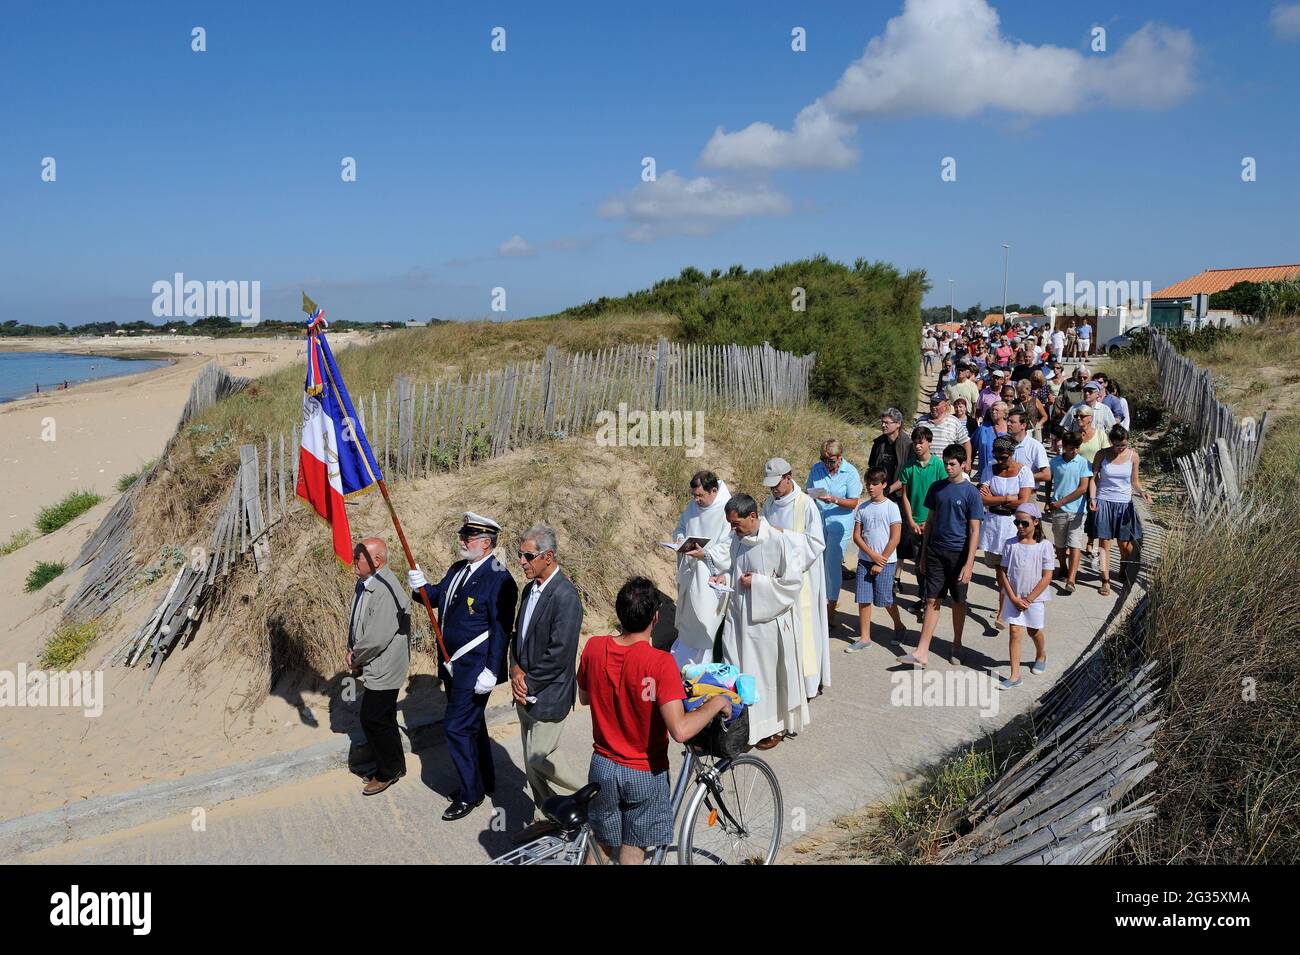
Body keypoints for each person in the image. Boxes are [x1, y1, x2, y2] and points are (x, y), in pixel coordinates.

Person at [577, 576, 732, 865]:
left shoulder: (594, 648)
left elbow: (585, 698)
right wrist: (716, 703)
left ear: (619, 613)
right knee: (633, 849)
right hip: (643, 772)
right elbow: (681, 730)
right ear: (656, 617)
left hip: (602, 766)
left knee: (601, 844)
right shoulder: (660, 664)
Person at [406, 513, 518, 820]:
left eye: (468, 538)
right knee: (472, 725)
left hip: (475, 667)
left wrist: (492, 670)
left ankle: (471, 793)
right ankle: (486, 778)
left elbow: (500, 628)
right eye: (463, 536)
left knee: (456, 728)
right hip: (453, 665)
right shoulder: (458, 569)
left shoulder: (500, 578)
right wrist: (421, 588)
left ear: (485, 543)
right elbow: (439, 597)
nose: (462, 542)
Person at [710, 493, 810, 750]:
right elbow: (734, 568)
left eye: (736, 524)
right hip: (739, 617)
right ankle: (744, 725)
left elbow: (792, 584)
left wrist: (758, 582)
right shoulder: (737, 539)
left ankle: (771, 727)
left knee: (766, 676)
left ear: (753, 516)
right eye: (731, 525)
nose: (733, 530)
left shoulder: (778, 541)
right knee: (739, 670)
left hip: (766, 623)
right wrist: (725, 578)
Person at [510, 524, 587, 842]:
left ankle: (587, 797)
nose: (522, 562)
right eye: (520, 555)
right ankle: (549, 815)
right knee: (531, 762)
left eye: (528, 556)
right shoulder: (529, 590)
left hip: (548, 692)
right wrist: (514, 670)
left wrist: (528, 681)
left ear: (548, 556)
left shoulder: (566, 596)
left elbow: (560, 652)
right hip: (523, 687)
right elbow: (518, 635)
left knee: (539, 756)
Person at [901, 445, 983, 668]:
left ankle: (957, 645)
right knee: (931, 599)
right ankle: (922, 651)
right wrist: (925, 554)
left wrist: (969, 563)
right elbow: (929, 522)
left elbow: (975, 530)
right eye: (946, 463)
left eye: (952, 464)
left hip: (958, 555)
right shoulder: (937, 488)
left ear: (963, 465)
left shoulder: (972, 493)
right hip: (935, 552)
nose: (948, 467)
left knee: (958, 602)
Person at [346, 537, 412, 796]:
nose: (353, 561)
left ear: (377, 561)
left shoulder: (384, 588)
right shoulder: (367, 583)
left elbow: (377, 636)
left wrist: (356, 656)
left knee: (373, 718)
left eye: (358, 557)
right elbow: (359, 620)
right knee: (383, 717)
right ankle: (395, 765)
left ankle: (387, 771)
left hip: (385, 665)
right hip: (374, 660)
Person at [762, 457, 830, 698]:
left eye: (776, 484)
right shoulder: (770, 502)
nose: (773, 489)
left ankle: (808, 684)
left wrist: (784, 536)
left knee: (805, 629)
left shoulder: (805, 504)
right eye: (769, 485)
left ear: (788, 478)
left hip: (802, 577)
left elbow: (816, 543)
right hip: (777, 576)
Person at [668, 470, 732, 669]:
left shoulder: (726, 510)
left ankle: (704, 666)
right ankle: (683, 663)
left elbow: (729, 545)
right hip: (690, 572)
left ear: (713, 490)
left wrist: (706, 554)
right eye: (694, 495)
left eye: (700, 495)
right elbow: (680, 527)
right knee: (688, 620)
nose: (696, 499)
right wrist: (679, 539)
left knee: (706, 621)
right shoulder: (692, 507)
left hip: (710, 577)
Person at [844, 468, 905, 652]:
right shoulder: (862, 508)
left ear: (884, 484)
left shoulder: (891, 507)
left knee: (885, 599)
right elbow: (857, 536)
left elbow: (895, 537)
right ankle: (864, 637)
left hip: (886, 562)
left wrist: (881, 560)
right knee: (863, 599)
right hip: (865, 560)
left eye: (874, 484)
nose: (870, 487)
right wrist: (871, 555)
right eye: (868, 483)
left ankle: (899, 626)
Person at [995, 503, 1054, 689]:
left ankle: (1041, 654)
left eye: (1024, 523)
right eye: (1017, 523)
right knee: (1014, 632)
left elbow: (1047, 576)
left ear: (1036, 522)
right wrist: (1012, 597)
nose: (1020, 526)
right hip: (1014, 596)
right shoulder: (1010, 544)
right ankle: (1014, 675)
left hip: (1034, 599)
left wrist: (1029, 599)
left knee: (1033, 631)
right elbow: (1003, 572)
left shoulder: (1044, 546)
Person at [1089, 426, 1152, 595]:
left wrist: (1143, 492)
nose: (1121, 448)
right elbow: (1094, 479)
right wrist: (1093, 498)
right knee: (1104, 544)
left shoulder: (1133, 456)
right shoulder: (1101, 455)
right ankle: (1105, 580)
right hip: (1104, 501)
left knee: (1125, 545)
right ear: (1111, 441)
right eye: (1118, 445)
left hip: (1124, 503)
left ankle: (1123, 564)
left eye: (1124, 445)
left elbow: (1135, 481)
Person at [809, 439, 864, 633]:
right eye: (823, 460)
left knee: (832, 566)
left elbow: (854, 501)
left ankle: (830, 612)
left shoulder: (850, 472)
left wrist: (835, 499)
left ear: (839, 458)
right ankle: (819, 604)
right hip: (818, 522)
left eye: (830, 461)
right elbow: (809, 493)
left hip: (839, 524)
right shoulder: (816, 469)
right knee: (818, 564)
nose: (826, 464)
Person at [894, 426, 946, 618]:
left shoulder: (939, 466)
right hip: (914, 523)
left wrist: (931, 522)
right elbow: (905, 496)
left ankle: (929, 601)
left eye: (921, 442)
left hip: (933, 523)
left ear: (929, 443)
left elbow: (942, 496)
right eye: (915, 442)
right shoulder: (909, 466)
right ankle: (923, 598)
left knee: (931, 564)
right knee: (918, 565)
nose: (917, 445)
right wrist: (910, 521)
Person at [1046, 432, 1092, 594]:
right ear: (1064, 447)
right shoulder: (1055, 462)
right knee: (1059, 543)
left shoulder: (1083, 463)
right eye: (1071, 448)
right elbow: (1048, 482)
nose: (1074, 451)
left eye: (1077, 448)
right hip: (1058, 510)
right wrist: (1048, 501)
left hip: (1078, 511)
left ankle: (1072, 579)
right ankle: (1063, 567)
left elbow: (1083, 488)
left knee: (1074, 543)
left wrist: (1062, 501)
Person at [914, 391, 971, 464]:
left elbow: (965, 442)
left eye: (936, 404)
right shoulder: (921, 421)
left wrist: (968, 461)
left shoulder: (954, 422)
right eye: (932, 404)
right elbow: (912, 443)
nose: (933, 407)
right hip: (925, 467)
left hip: (947, 468)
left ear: (945, 406)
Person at [1006, 410, 1051, 490]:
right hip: (1006, 493)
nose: (1008, 424)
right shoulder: (1004, 443)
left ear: (1023, 425)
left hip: (1027, 494)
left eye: (1012, 422)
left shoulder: (1035, 446)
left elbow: (1046, 475)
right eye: (1008, 421)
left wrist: (1020, 478)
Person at [973, 400, 1010, 484]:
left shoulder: (1010, 428)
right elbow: (972, 446)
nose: (993, 412)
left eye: (996, 410)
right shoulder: (983, 428)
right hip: (986, 473)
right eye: (992, 410)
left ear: (1005, 413)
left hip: (1006, 473)